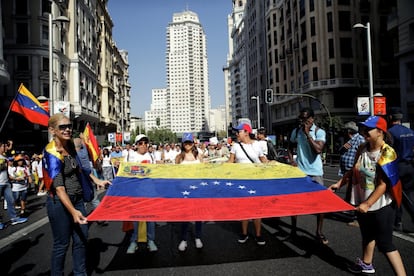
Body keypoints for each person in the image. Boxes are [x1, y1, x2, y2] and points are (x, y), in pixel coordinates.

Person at [329, 116, 406, 275]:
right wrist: (339, 184)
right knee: (367, 235)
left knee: (385, 244)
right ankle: (366, 264)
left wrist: (367, 204)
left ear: (380, 132)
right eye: (363, 128)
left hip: (381, 204)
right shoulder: (362, 147)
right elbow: (353, 170)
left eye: (367, 129)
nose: (364, 131)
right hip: (363, 200)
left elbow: (383, 185)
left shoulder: (387, 152)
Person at [43, 113, 110, 275]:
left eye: (69, 126)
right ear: (52, 130)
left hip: (78, 199)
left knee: (81, 240)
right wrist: (73, 211)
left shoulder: (70, 145)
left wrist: (97, 180)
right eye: (62, 127)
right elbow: (59, 189)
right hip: (59, 203)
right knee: (62, 244)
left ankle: (80, 273)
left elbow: (80, 169)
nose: (67, 130)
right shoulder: (51, 153)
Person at [287, 107, 328, 244]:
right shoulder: (296, 131)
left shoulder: (319, 132)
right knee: (294, 203)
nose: (302, 121)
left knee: (321, 205)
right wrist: (292, 161)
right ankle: (293, 231)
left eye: (304, 119)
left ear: (311, 119)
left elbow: (318, 150)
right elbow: (289, 145)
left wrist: (308, 134)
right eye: (300, 119)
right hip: (300, 172)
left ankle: (319, 231)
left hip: (315, 173)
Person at [228, 122, 267, 245]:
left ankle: (258, 234)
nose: (236, 134)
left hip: (256, 181)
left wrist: (273, 164)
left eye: (238, 131)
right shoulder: (235, 146)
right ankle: (244, 233)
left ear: (246, 132)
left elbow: (263, 160)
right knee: (244, 208)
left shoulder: (257, 145)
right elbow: (230, 162)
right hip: (242, 182)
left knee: (256, 209)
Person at [126, 134, 158, 253]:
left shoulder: (151, 156)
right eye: (140, 143)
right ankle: (133, 242)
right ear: (136, 145)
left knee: (150, 218)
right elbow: (127, 172)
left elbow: (154, 173)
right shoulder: (131, 156)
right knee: (135, 218)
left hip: (149, 191)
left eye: (145, 142)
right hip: (135, 192)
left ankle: (151, 240)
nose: (143, 145)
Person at [175, 133, 204, 251]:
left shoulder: (199, 156)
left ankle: (198, 237)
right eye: (186, 142)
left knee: (198, 214)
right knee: (185, 215)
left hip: (198, 189)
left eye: (190, 142)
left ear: (193, 143)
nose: (188, 145)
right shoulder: (179, 157)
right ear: (182, 144)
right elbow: (174, 174)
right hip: (184, 190)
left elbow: (204, 171)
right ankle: (184, 239)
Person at [387, 109, 414, 232]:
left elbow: (388, 153)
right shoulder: (410, 131)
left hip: (397, 167)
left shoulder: (390, 133)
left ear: (390, 117)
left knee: (396, 195)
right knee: (408, 194)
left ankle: (397, 221)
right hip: (410, 166)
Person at [338, 121, 366, 226]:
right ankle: (350, 209)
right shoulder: (350, 140)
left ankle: (357, 217)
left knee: (356, 193)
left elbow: (363, 154)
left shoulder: (359, 140)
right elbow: (341, 151)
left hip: (354, 171)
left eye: (345, 130)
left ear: (349, 131)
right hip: (348, 171)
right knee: (350, 192)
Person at [0, 142, 27, 229]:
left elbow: (6, 171)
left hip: (6, 183)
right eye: (4, 146)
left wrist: (10, 178)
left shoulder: (4, 157)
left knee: (11, 201)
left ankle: (14, 218)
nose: (6, 148)